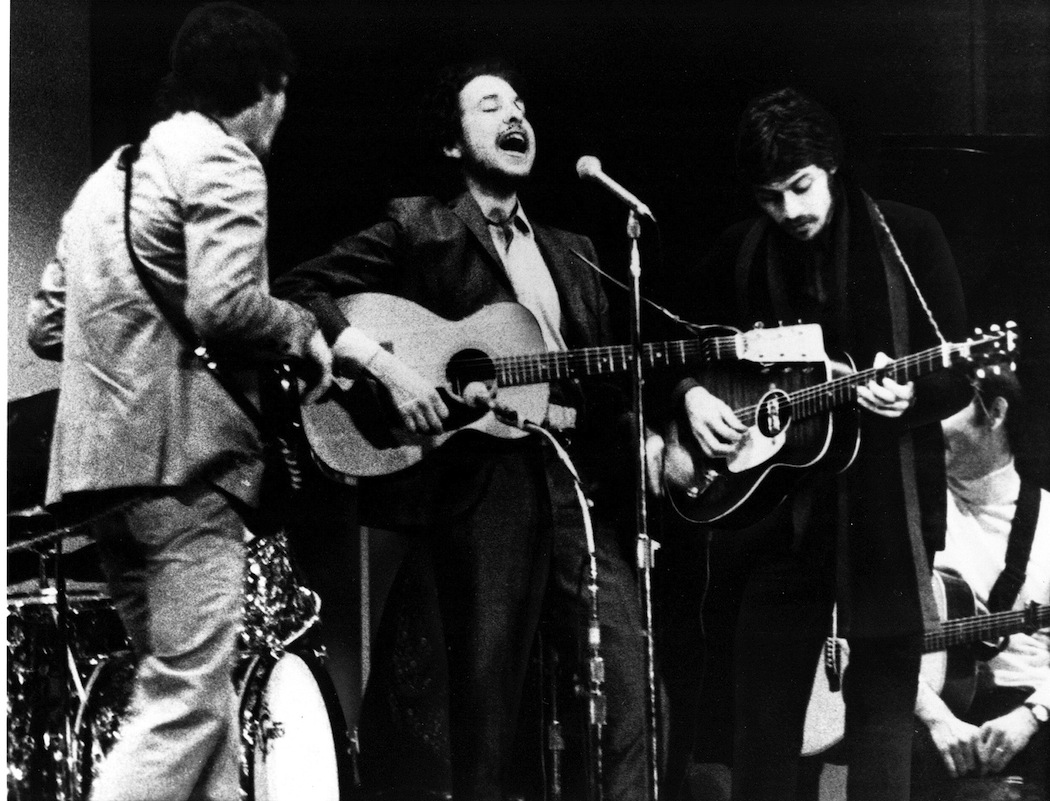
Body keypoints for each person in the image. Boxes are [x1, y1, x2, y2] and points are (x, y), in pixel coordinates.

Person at [274, 60, 649, 801]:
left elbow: (611, 388)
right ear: (453, 144)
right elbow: (298, 291)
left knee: (632, 691)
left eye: (519, 103)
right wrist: (387, 368)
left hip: (570, 483)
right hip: (483, 495)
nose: (515, 116)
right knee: (484, 718)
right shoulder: (421, 226)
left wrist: (658, 426)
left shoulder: (577, 253)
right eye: (489, 105)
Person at [25, 5, 332, 801]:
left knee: (206, 712)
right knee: (187, 702)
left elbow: (45, 324)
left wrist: (122, 346)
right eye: (283, 94)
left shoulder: (108, 179)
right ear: (265, 89)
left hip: (98, 477)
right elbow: (225, 305)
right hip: (184, 469)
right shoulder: (226, 161)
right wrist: (301, 328)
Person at [654, 87, 970, 800]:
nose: (791, 211)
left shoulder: (909, 235)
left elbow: (955, 372)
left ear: (831, 165)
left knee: (884, 735)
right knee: (761, 737)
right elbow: (672, 344)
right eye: (771, 197)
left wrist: (912, 395)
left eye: (801, 187)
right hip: (776, 525)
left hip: (887, 517)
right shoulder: (742, 252)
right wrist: (690, 396)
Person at [912, 369, 1049, 799]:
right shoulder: (912, 512)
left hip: (1027, 707)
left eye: (946, 408)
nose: (930, 426)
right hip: (931, 706)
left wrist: (1032, 716)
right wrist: (934, 715)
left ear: (996, 413)